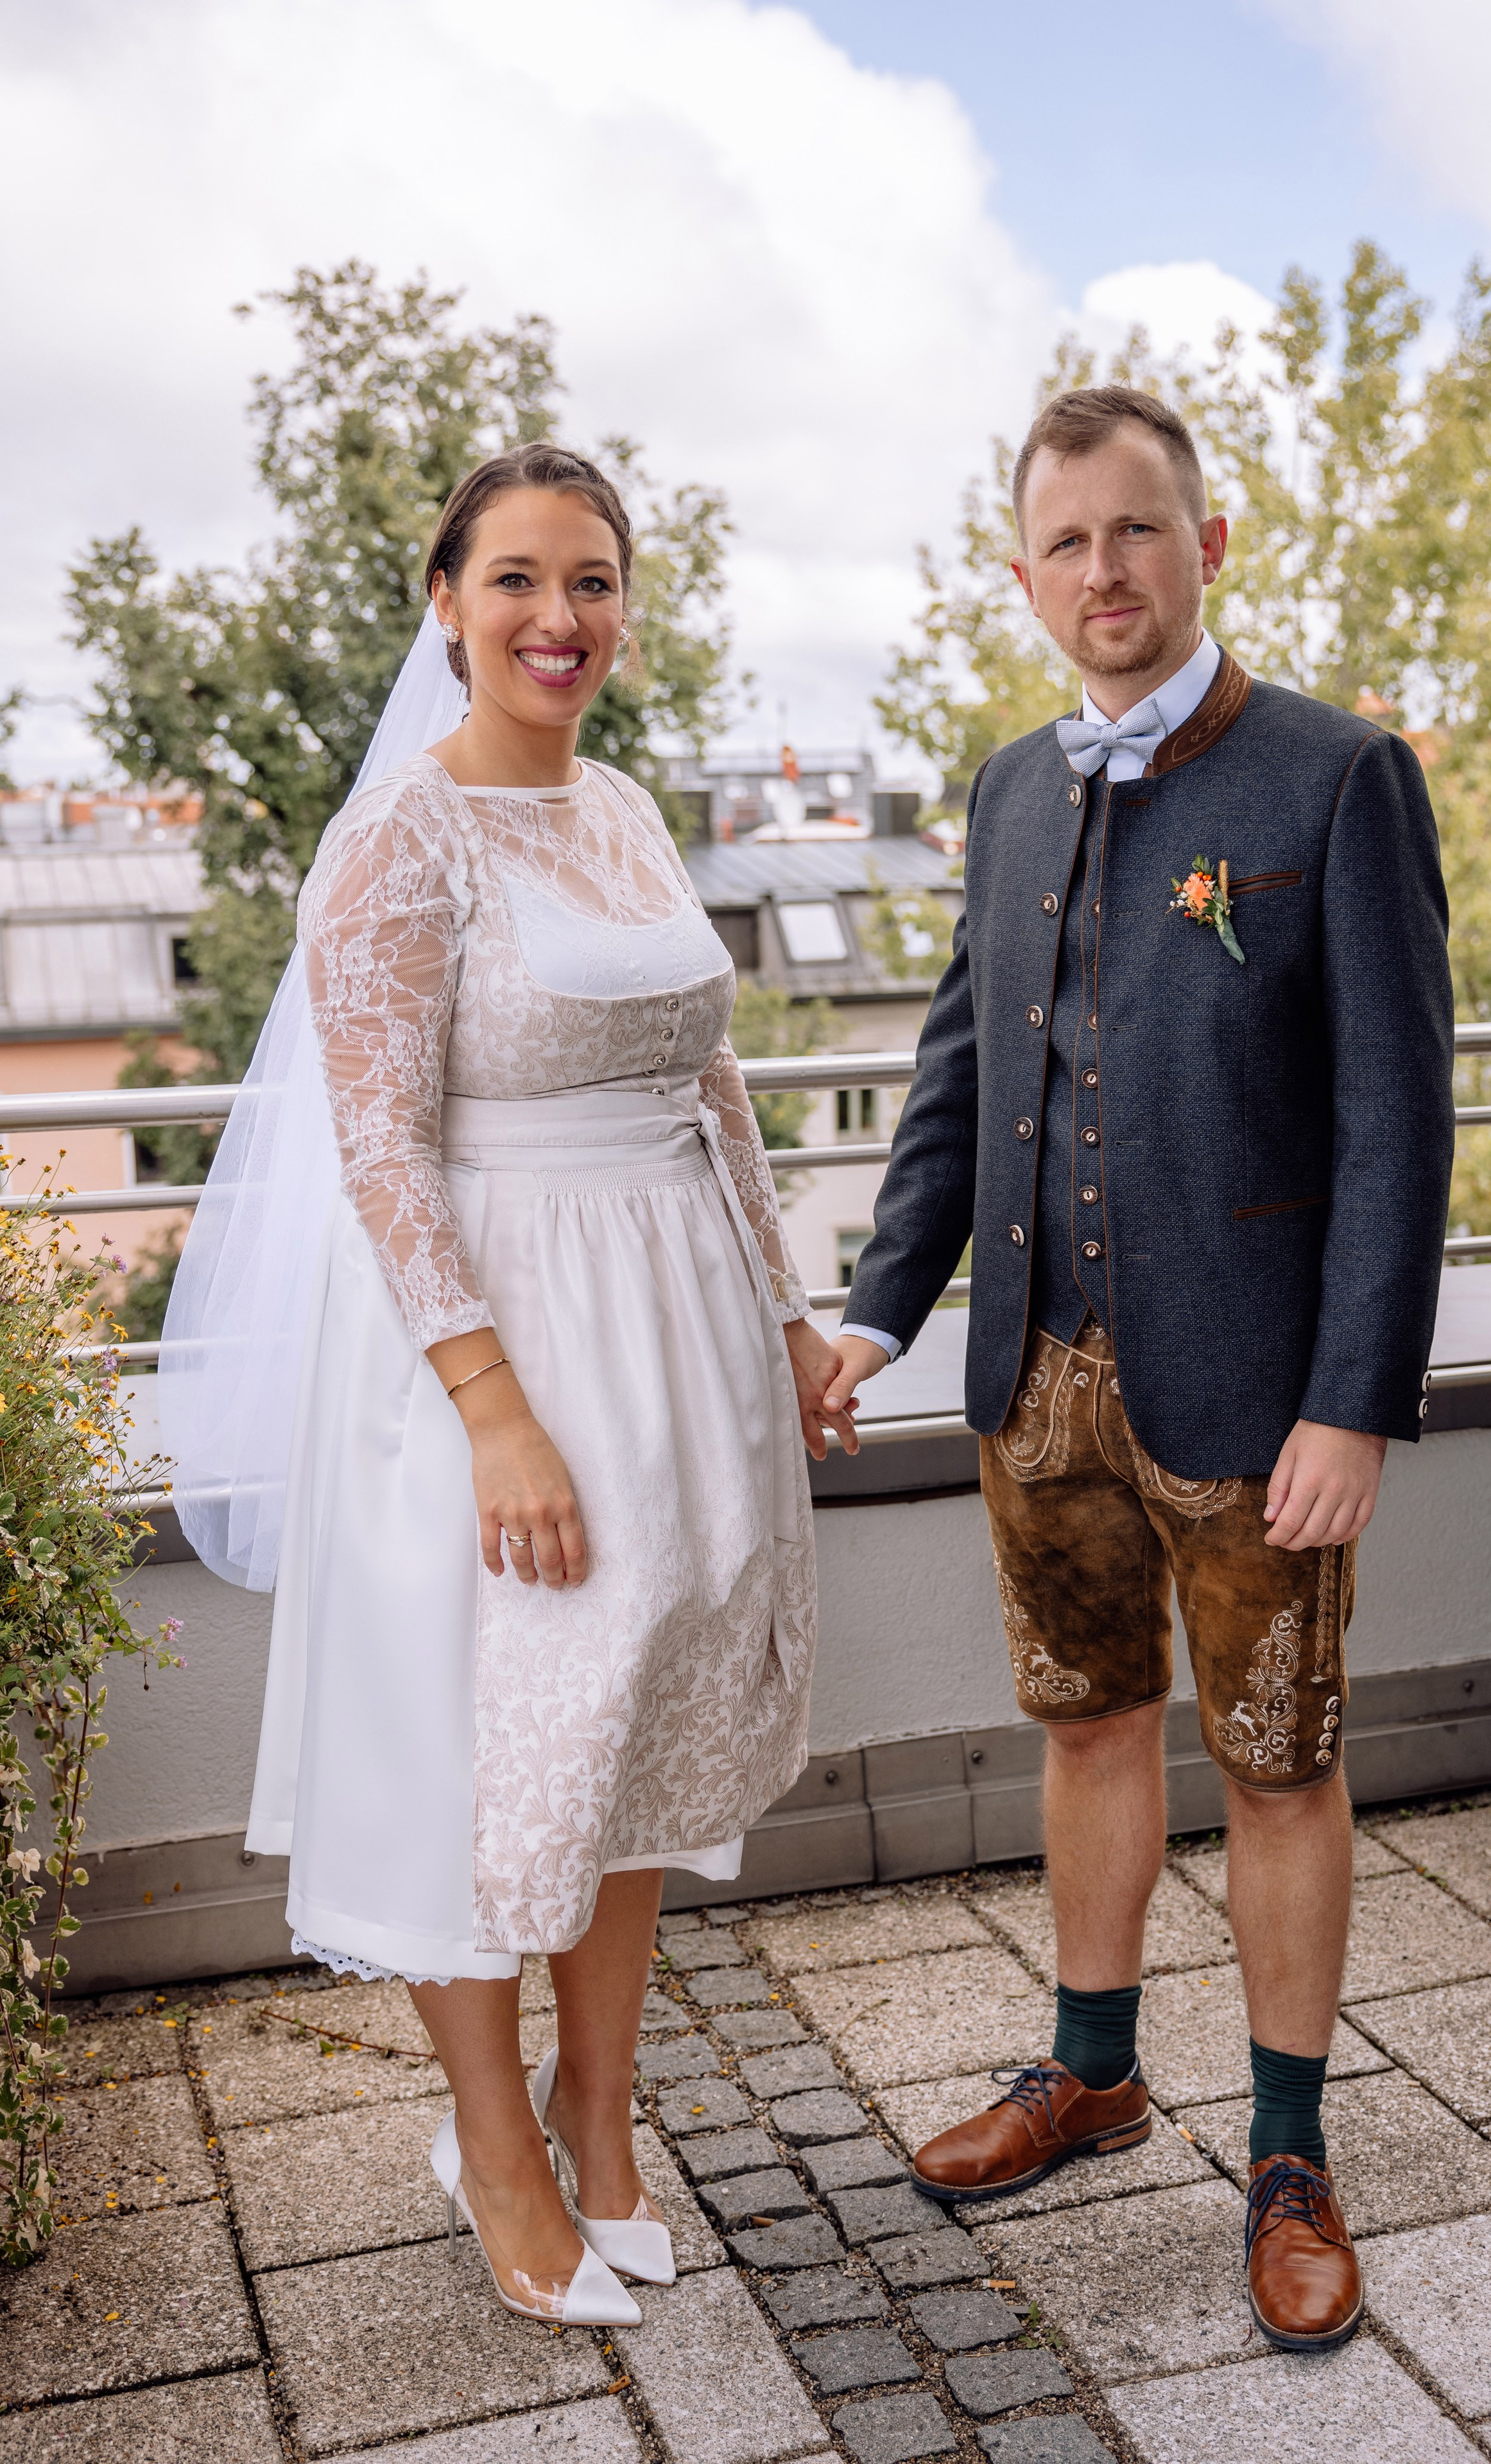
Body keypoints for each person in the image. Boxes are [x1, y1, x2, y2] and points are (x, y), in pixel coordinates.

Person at [165, 442, 856, 2326]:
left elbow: (711, 1084)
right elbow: (380, 1148)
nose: (561, 618)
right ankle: (491, 2143)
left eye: (594, 581)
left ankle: (596, 2110)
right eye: (520, 581)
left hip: (674, 1324)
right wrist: (493, 1410)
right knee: (482, 1753)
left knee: (629, 1721)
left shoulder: (623, 806)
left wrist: (787, 1314)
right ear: (448, 606)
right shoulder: (401, 836)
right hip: (490, 1345)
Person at [826, 385, 1453, 2351]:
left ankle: (1288, 2157)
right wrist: (876, 1310)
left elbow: (1399, 1120)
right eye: (1067, 541)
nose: (1105, 569)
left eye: (1138, 529)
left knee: (1279, 1765)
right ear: (1024, 576)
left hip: (1258, 1397)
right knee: (1089, 1725)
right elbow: (958, 1077)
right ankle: (1090, 2073)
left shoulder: (1339, 778)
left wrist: (1355, 1395)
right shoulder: (1008, 790)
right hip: (1038, 1380)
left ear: (1209, 544)